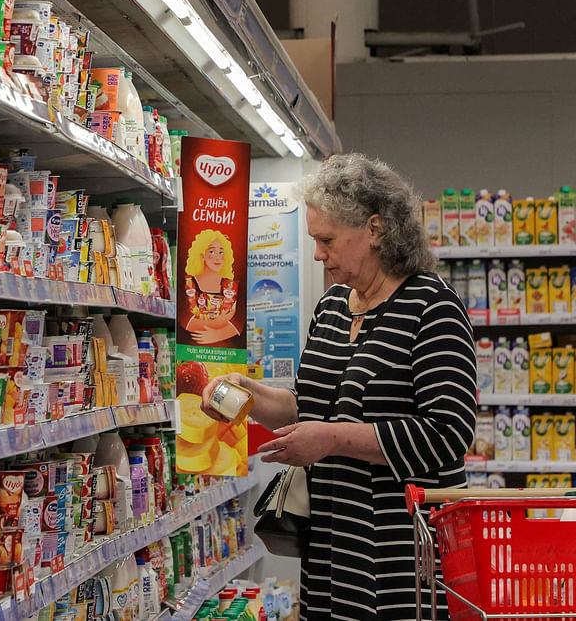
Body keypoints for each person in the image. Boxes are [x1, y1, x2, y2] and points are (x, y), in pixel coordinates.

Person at [201, 153, 477, 621]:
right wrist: (245, 393)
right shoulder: (332, 308)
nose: (317, 254)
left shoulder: (432, 308)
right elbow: (307, 405)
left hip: (403, 551)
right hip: (332, 541)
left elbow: (447, 434)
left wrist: (330, 439)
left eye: (326, 240)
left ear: (374, 229)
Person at [184, 228, 241, 344]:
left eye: (221, 252)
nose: (218, 257)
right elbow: (186, 322)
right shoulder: (189, 283)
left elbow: (240, 322)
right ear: (201, 255)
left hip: (227, 355)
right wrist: (219, 322)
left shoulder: (231, 286)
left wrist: (218, 334)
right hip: (193, 352)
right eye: (211, 251)